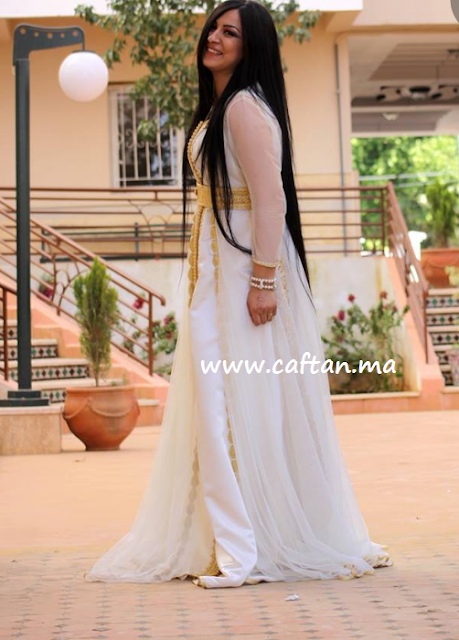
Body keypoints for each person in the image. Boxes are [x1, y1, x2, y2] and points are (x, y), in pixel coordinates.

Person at [86, 0, 392, 589]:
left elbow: (270, 199)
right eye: (214, 28)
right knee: (223, 401)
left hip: (240, 275)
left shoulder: (245, 108)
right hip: (214, 274)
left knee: (231, 401)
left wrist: (262, 281)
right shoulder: (222, 108)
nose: (215, 38)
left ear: (251, 47)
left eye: (230, 32)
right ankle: (230, 535)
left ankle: (244, 545)